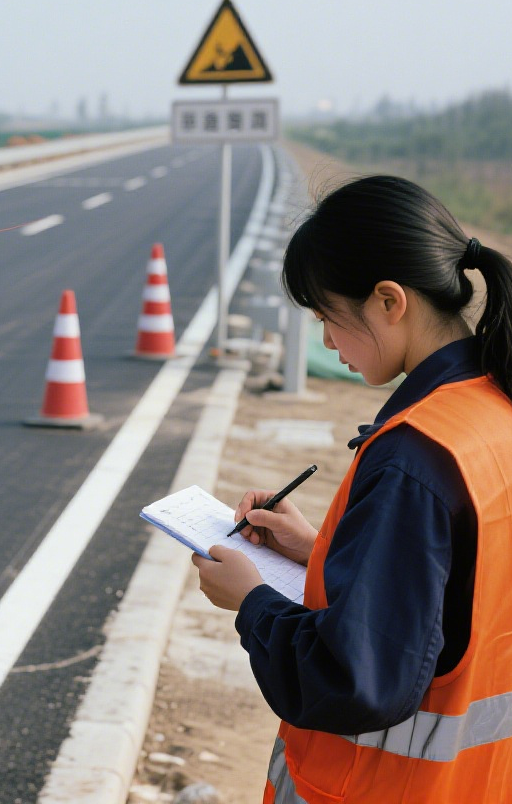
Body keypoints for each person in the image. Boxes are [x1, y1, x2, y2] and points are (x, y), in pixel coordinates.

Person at [192, 175, 512, 803]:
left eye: (327, 319)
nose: (328, 342)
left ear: (389, 301)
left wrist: (251, 602)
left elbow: (349, 679)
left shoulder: (413, 458)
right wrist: (321, 553)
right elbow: (460, 593)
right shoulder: (491, 406)